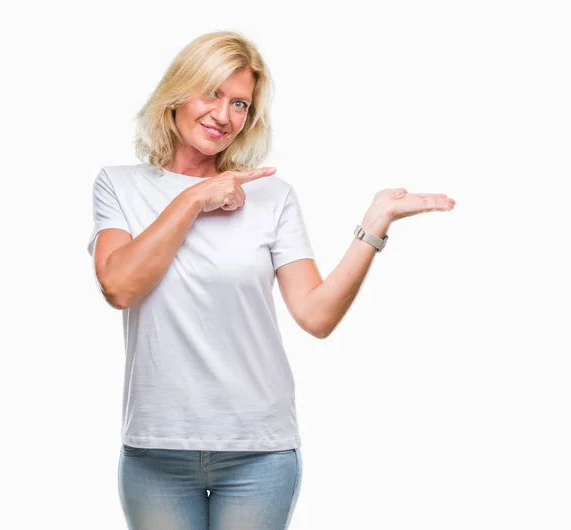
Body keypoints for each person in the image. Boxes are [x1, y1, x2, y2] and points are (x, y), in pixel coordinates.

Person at [87, 30, 455, 530]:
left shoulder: (271, 197)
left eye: (239, 104)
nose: (223, 115)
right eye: (211, 93)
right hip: (157, 449)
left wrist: (374, 224)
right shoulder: (119, 185)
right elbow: (120, 286)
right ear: (176, 93)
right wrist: (195, 198)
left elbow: (317, 315)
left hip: (258, 452)